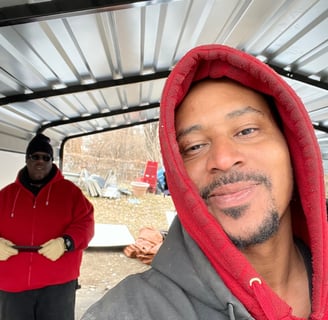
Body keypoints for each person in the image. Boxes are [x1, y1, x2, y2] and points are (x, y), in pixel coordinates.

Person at [81, 44, 328, 320]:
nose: (222, 159)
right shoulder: (127, 312)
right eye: (195, 146)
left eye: (247, 130)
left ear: (292, 147)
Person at [0, 133, 95, 320]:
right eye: (35, 156)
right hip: (12, 285)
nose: (40, 161)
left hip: (57, 285)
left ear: (52, 161)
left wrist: (65, 243)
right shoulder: (5, 195)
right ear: (27, 160)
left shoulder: (70, 193)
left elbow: (86, 224)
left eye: (46, 157)